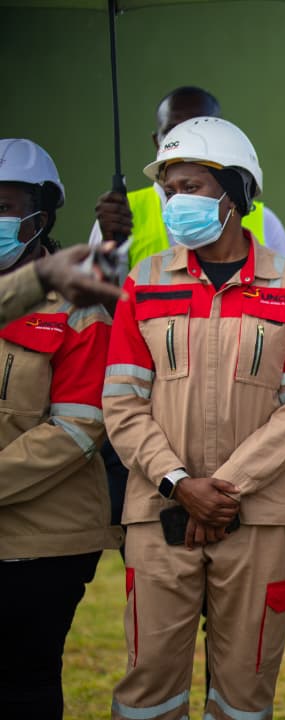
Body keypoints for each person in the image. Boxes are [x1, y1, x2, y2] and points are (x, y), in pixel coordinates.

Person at [103, 116, 285, 720]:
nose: (176, 201)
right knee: (149, 685)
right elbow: (121, 402)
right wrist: (179, 484)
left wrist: (222, 491)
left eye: (192, 186)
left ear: (236, 191)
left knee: (245, 689)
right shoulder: (144, 283)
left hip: (258, 517)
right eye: (170, 188)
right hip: (159, 511)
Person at [0, 138, 120, 719]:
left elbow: (77, 430)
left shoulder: (78, 309)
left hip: (44, 540)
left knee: (23, 684)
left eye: (5, 207)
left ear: (41, 219)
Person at [91, 86, 285, 265]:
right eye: (172, 131)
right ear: (156, 141)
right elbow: (97, 293)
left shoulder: (266, 223)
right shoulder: (119, 215)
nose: (185, 140)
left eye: (199, 129)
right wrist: (109, 246)